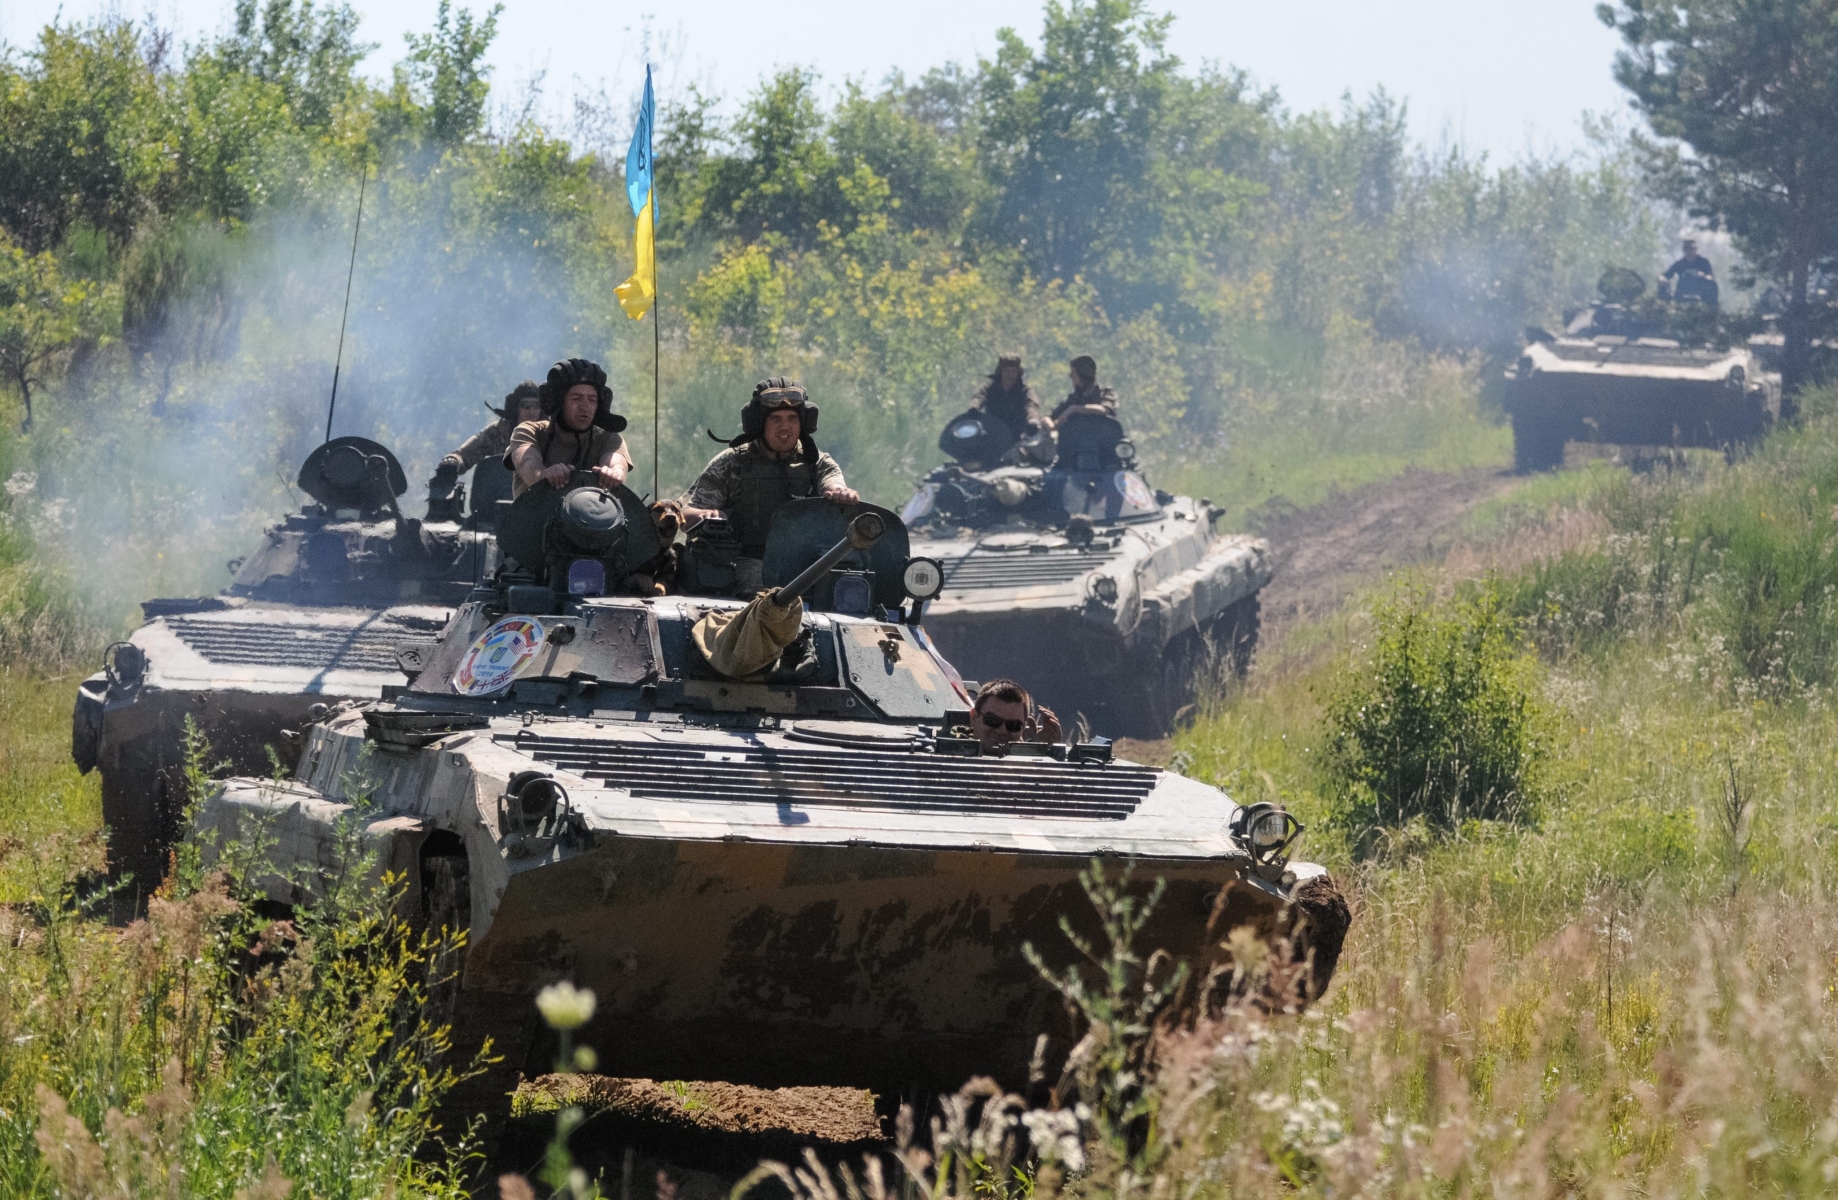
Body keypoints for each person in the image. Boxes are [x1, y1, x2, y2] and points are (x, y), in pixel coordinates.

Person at [681, 378, 860, 595]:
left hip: (808, 566)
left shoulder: (817, 462)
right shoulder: (733, 462)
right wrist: (705, 515)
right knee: (760, 594)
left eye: (792, 418)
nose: (785, 426)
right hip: (747, 562)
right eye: (776, 418)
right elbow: (686, 515)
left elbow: (833, 482)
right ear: (760, 423)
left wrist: (840, 492)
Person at [506, 358, 633, 499]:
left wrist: (613, 473)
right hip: (534, 520)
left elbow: (617, 465)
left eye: (592, 399)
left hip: (593, 518)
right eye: (576, 398)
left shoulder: (608, 439)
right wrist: (544, 475)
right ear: (559, 402)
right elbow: (528, 463)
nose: (585, 406)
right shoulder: (529, 432)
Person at [429, 380, 543, 515]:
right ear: (516, 407)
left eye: (536, 405)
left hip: (537, 511)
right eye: (526, 406)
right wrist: (452, 462)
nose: (531, 411)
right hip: (492, 513)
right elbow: (465, 453)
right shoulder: (498, 432)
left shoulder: (550, 435)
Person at [970, 678, 1062, 752]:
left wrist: (1042, 751)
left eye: (1013, 726)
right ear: (974, 718)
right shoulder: (955, 754)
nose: (1002, 731)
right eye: (993, 721)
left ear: (1023, 729)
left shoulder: (1026, 757)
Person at [1050, 355, 1120, 423]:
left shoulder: (1106, 394)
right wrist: (1051, 426)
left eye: (1074, 374)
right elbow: (1051, 417)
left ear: (1083, 376)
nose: (1071, 376)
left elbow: (1104, 410)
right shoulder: (1074, 398)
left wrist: (1075, 409)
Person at [1661, 238, 1718, 305]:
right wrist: (1662, 279)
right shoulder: (1680, 263)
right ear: (1683, 250)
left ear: (1695, 249)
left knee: (1712, 285)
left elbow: (1711, 277)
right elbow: (1666, 275)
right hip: (1682, 292)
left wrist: (1703, 275)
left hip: (1700, 292)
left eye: (1691, 248)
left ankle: (1711, 308)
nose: (1689, 251)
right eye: (1686, 248)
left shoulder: (1703, 262)